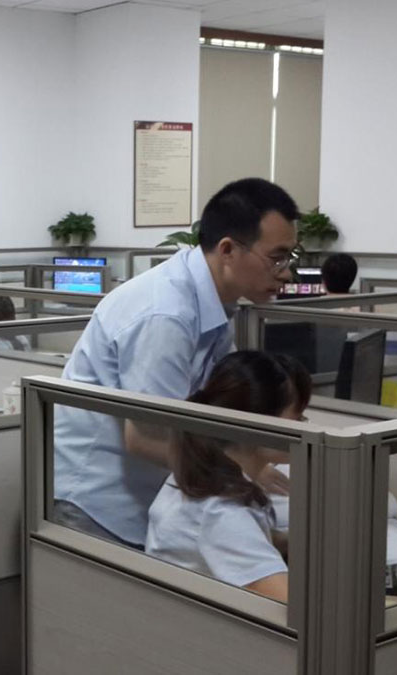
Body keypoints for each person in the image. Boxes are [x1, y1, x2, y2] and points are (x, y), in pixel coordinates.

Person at [54, 177, 299, 549]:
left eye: (289, 258)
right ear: (228, 250)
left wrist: (255, 463)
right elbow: (147, 438)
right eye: (276, 257)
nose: (285, 273)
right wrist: (243, 469)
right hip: (97, 503)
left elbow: (214, 409)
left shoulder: (213, 302)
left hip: (144, 493)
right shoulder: (166, 315)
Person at [145, 351, 311, 602]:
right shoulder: (222, 512)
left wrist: (288, 541)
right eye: (298, 418)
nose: (305, 427)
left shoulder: (200, 473)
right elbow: (293, 608)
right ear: (258, 423)